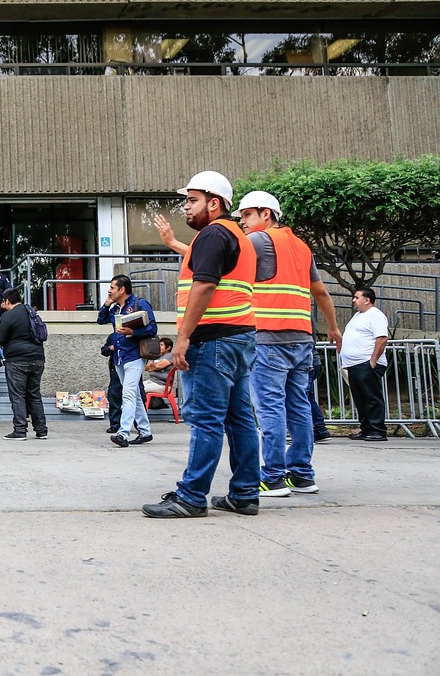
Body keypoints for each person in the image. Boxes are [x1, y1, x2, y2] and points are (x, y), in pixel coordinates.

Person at [142, 171, 258, 519]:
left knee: (207, 421)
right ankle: (244, 495)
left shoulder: (212, 234)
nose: (186, 207)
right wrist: (173, 243)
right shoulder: (236, 235)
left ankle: (191, 497)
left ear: (214, 202)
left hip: (212, 342)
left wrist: (182, 337)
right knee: (240, 420)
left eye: (192, 200)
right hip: (239, 338)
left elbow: (204, 287)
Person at [235, 190, 344, 495]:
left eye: (246, 215)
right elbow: (320, 293)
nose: (242, 222)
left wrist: (176, 245)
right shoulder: (301, 247)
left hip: (269, 338)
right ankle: (303, 475)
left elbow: (217, 258)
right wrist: (333, 328)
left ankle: (272, 477)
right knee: (299, 407)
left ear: (265, 214)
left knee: (270, 408)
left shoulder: (259, 240)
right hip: (302, 339)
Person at [98, 274, 158, 448]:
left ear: (122, 289)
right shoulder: (115, 308)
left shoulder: (139, 303)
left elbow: (153, 328)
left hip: (134, 355)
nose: (109, 291)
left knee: (128, 394)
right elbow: (101, 319)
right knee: (135, 396)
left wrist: (133, 333)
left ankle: (123, 433)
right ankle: (145, 431)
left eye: (112, 288)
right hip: (119, 356)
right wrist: (107, 304)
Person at [0, 287, 47, 441]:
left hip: (17, 360)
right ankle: (41, 430)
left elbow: (0, 340)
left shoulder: (8, 316)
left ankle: (20, 430)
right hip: (37, 357)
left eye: (2, 301)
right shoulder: (30, 311)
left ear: (7, 301)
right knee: (34, 395)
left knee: (17, 396)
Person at [339, 286, 389, 442]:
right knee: (360, 398)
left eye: (356, 297)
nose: (353, 300)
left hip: (366, 363)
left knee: (371, 397)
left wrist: (373, 361)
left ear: (367, 300)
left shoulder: (375, 315)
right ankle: (366, 429)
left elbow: (381, 338)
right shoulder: (358, 316)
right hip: (354, 364)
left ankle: (378, 430)